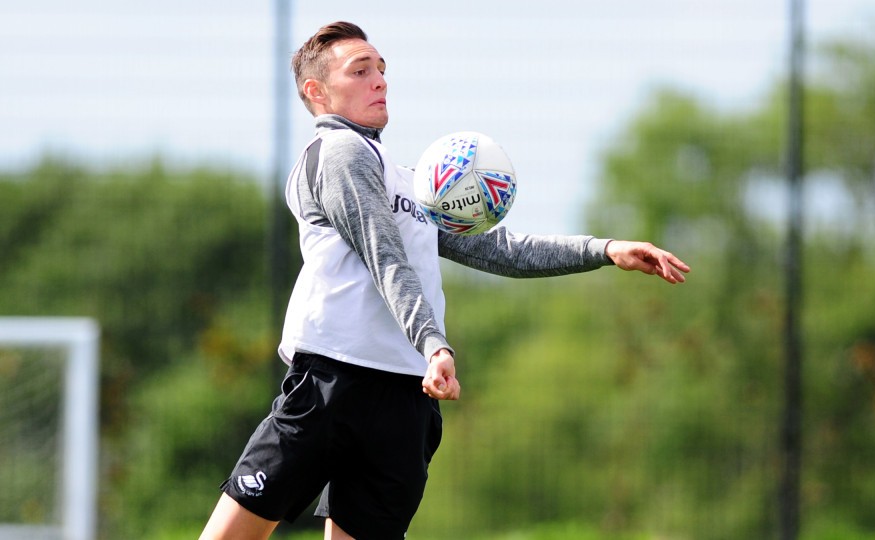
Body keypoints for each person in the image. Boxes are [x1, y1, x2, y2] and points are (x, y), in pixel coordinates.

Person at [199, 21, 690, 540]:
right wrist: (434, 344)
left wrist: (605, 250)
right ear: (316, 92)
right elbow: (385, 258)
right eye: (360, 71)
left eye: (381, 69)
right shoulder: (340, 152)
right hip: (333, 382)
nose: (380, 80)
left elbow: (497, 248)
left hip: (406, 396)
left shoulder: (409, 181)